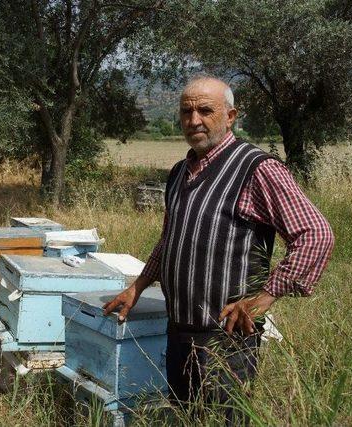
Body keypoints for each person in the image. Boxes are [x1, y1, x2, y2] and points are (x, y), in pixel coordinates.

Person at [103, 75, 334, 422]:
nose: (193, 120)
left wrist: (267, 294)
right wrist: (137, 287)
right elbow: (170, 239)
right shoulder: (180, 172)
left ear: (230, 116)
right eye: (186, 111)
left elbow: (316, 234)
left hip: (228, 340)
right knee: (187, 417)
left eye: (205, 111)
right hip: (179, 331)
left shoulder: (257, 169)